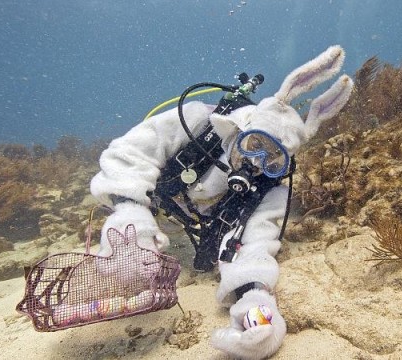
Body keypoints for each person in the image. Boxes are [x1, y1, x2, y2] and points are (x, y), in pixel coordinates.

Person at [90, 45, 353, 359]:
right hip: (155, 199)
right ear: (240, 129)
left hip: (188, 223)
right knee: (126, 241)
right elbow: (130, 152)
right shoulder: (197, 120)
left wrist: (256, 306)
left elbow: (255, 245)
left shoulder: (269, 191)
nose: (255, 162)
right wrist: (130, 214)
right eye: (254, 144)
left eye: (271, 160)